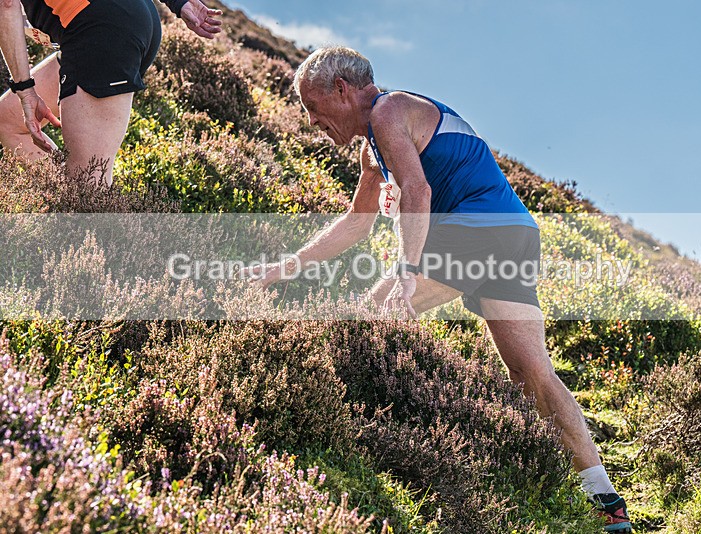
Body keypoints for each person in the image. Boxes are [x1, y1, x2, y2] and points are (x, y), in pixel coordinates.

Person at [245, 46, 632, 531]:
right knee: (533, 373)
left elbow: (418, 190)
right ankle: (606, 502)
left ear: (341, 90)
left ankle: (343, 438)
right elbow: (357, 223)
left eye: (313, 107)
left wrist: (407, 267)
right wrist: (286, 266)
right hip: (514, 233)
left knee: (372, 313)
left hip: (478, 230)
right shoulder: (375, 144)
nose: (313, 121)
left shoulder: (388, 112)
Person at [0, 0, 223, 185]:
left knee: (88, 188)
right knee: (8, 121)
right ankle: (62, 192)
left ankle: (83, 214)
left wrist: (25, 90)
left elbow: (6, 4)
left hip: (101, 31)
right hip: (133, 17)